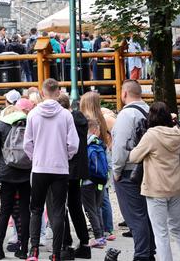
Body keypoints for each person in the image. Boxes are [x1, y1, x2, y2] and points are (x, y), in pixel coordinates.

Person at [128, 102, 180, 261]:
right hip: (175, 187)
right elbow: (176, 125)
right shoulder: (179, 133)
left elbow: (134, 156)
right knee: (177, 228)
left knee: (161, 232)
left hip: (155, 189)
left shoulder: (151, 135)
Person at [23, 78, 79, 260]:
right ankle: (56, 252)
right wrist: (65, 156)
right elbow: (73, 144)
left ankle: (34, 249)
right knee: (58, 210)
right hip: (59, 168)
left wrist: (35, 157)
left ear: (42, 92)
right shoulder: (65, 115)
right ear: (58, 92)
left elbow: (27, 143)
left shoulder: (33, 114)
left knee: (36, 209)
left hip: (39, 167)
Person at [111, 80, 155, 261]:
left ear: (124, 93)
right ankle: (149, 252)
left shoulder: (126, 115)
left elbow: (120, 146)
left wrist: (116, 170)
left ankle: (141, 255)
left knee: (135, 217)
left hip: (129, 171)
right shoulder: (150, 111)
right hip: (149, 168)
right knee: (146, 215)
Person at [0, 104, 31, 260]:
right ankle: (24, 248)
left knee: (4, 211)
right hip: (26, 171)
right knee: (25, 210)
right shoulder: (28, 122)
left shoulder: (0, 124)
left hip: (7, 172)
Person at [57, 93, 92, 258]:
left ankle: (66, 244)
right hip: (78, 170)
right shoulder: (81, 120)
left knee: (60, 207)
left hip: (65, 167)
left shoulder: (65, 121)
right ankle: (84, 243)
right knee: (75, 206)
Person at [79, 91, 114, 241]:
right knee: (103, 198)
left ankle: (99, 231)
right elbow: (108, 140)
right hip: (102, 167)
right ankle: (108, 227)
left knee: (92, 204)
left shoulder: (87, 121)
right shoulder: (101, 119)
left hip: (89, 173)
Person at [81, 119, 108, 249]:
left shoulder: (83, 143)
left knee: (90, 210)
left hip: (87, 182)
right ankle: (101, 235)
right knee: (97, 209)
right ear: (95, 130)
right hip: (100, 181)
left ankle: (98, 238)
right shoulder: (100, 144)